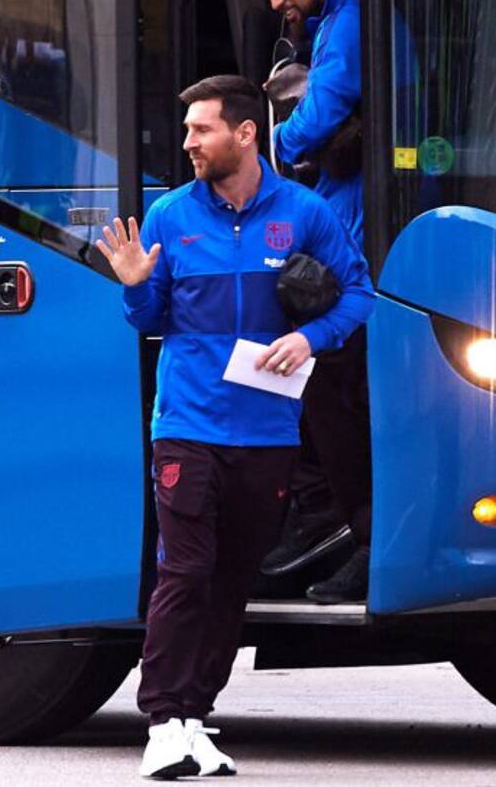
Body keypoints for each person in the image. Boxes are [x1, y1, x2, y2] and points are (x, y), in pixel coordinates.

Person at [96, 75, 373, 779]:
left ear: (245, 134)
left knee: (231, 581)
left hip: (269, 432)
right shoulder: (169, 216)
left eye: (202, 129)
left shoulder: (305, 212)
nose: (188, 142)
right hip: (188, 426)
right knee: (185, 570)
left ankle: (194, 716)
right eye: (188, 129)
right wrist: (134, 284)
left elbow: (358, 293)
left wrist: (309, 338)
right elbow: (150, 319)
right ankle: (162, 720)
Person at [254, 0, 375, 603]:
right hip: (342, 226)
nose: (276, 2)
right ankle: (327, 514)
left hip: (352, 239)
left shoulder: (350, 22)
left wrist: (270, 151)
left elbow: (323, 110)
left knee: (333, 397)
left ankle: (356, 531)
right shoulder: (336, 18)